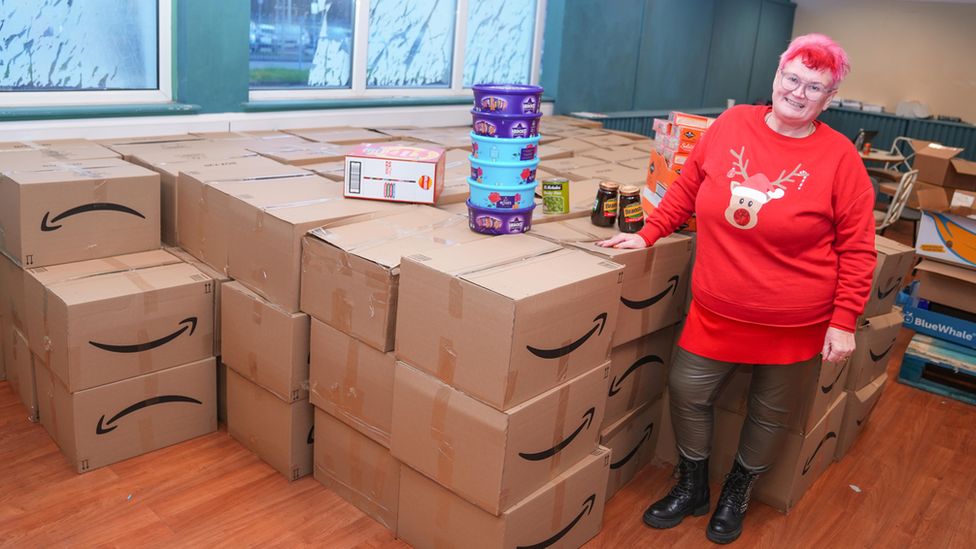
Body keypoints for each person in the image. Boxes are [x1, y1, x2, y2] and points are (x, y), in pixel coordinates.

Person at [597, 34, 876, 544]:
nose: (798, 91)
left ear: (828, 98)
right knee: (686, 391)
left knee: (770, 415)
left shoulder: (841, 159)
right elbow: (686, 186)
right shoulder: (731, 125)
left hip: (795, 321)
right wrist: (647, 232)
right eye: (791, 78)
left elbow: (858, 250)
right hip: (715, 309)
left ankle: (737, 492)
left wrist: (843, 321)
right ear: (776, 76)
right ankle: (693, 483)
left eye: (814, 86)